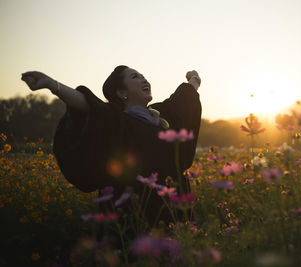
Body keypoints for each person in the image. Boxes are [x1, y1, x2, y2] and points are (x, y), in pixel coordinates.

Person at [21, 66, 202, 228]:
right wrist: (53, 85)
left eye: (143, 75)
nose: (144, 79)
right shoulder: (117, 120)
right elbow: (88, 105)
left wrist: (193, 80)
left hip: (174, 215)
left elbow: (182, 103)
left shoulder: (161, 117)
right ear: (122, 92)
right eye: (135, 76)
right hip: (136, 216)